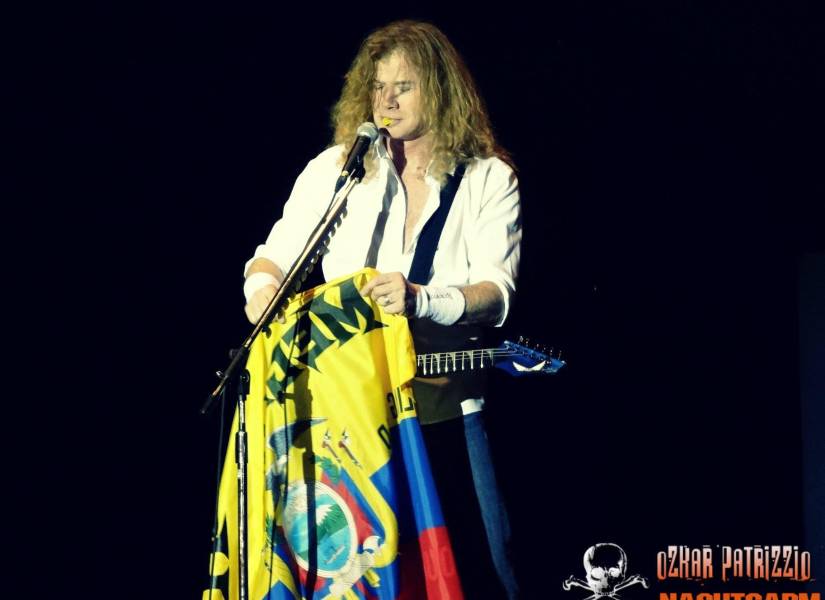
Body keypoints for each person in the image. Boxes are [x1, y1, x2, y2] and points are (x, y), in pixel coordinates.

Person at [243, 20, 521, 599]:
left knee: (481, 571)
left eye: (404, 86)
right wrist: (262, 291)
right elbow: (272, 257)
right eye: (377, 86)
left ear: (439, 91)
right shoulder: (337, 171)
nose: (386, 100)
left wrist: (422, 299)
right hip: (345, 417)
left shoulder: (488, 178)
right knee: (359, 577)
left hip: (444, 410)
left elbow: (496, 292)